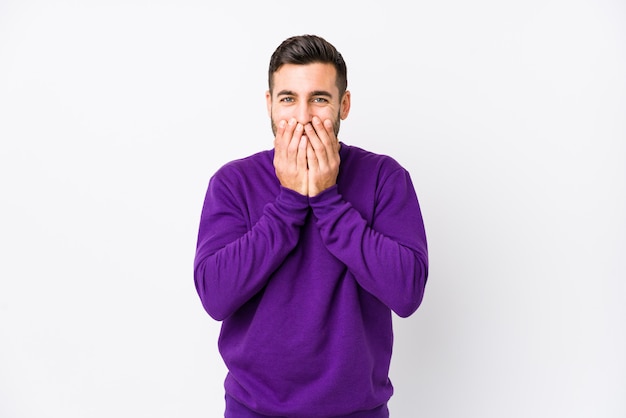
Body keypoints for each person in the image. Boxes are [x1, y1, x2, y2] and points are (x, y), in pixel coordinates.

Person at [193, 34, 429, 418]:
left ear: (344, 105)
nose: (302, 117)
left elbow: (407, 293)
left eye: (319, 99)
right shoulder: (233, 183)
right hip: (254, 410)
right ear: (269, 105)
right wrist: (288, 202)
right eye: (288, 99)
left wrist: (327, 200)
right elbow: (215, 297)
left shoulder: (384, 177)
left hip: (359, 411)